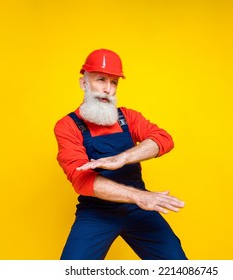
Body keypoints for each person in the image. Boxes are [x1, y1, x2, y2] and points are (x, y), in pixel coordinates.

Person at [54, 49, 187, 260]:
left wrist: (122, 158)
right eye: (100, 79)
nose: (108, 89)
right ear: (83, 83)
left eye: (114, 82)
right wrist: (140, 196)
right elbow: (82, 181)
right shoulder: (68, 126)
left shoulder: (128, 117)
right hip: (97, 213)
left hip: (138, 210)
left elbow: (163, 139)